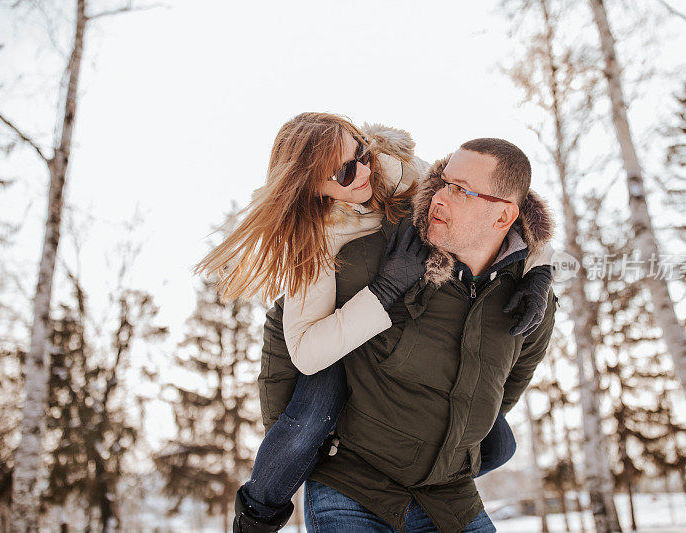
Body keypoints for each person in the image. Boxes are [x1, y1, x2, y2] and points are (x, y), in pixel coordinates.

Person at [196, 114, 554, 532]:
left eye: (361, 153)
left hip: (443, 490)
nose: (364, 172)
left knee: (499, 441)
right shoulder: (316, 240)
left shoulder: (400, 172)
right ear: (310, 184)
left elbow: (503, 211)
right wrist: (385, 289)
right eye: (345, 171)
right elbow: (302, 350)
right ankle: (258, 512)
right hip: (331, 339)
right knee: (309, 420)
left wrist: (539, 267)